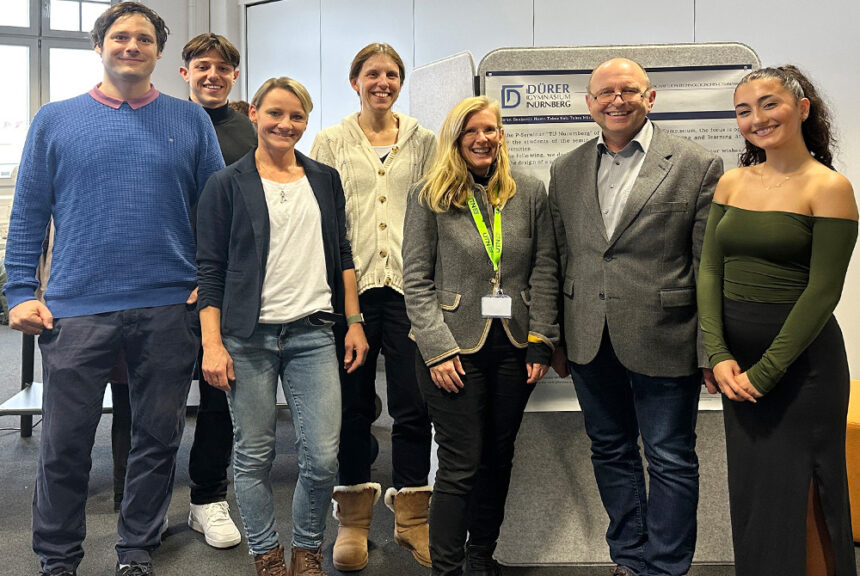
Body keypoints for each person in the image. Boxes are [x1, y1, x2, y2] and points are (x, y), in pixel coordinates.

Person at [1, 3, 225, 576]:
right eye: (120, 36)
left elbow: (215, 216)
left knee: (156, 440)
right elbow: (28, 214)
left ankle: (135, 551)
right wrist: (20, 289)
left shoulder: (192, 120)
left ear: (158, 51)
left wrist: (209, 283)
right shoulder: (55, 119)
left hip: (169, 305)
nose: (131, 45)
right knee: (64, 445)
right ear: (99, 47)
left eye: (144, 38)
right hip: (76, 308)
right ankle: (57, 557)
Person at [548, 58, 722, 576]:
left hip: (666, 335)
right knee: (609, 450)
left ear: (651, 98)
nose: (615, 100)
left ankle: (666, 566)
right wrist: (553, 337)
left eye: (628, 90)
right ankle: (628, 557)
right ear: (589, 103)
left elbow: (706, 265)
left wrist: (710, 350)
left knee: (670, 457)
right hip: (586, 338)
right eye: (604, 93)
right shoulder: (567, 168)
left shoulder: (697, 163)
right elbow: (559, 258)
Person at [196, 76, 369, 576]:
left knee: (321, 457)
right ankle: (267, 554)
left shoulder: (323, 178)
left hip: (313, 333)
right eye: (275, 113)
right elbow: (209, 271)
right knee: (254, 455)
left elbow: (342, 255)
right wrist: (212, 344)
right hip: (247, 337)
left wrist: (353, 321)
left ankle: (308, 549)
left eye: (296, 116)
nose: (285, 124)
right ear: (253, 114)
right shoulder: (226, 184)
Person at [697, 66, 858, 576]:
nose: (756, 118)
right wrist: (719, 354)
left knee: (804, 495)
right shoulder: (731, 181)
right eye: (744, 110)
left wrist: (764, 373)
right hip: (737, 370)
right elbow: (709, 271)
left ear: (803, 107)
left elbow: (822, 293)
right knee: (755, 498)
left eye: (769, 104)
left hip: (802, 372)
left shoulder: (829, 187)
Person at [403, 95, 559, 576]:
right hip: (452, 349)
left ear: (501, 136)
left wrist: (542, 340)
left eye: (490, 129)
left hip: (513, 347)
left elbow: (545, 270)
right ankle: (446, 568)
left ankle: (480, 558)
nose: (482, 138)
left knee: (497, 458)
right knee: (460, 463)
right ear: (455, 138)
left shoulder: (529, 192)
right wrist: (436, 348)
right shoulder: (429, 194)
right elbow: (416, 280)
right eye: (471, 130)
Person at [310, 42, 436, 571]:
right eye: (371, 74)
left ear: (400, 83)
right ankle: (354, 521)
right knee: (353, 406)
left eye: (391, 74)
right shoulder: (331, 140)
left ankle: (412, 519)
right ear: (354, 81)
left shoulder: (424, 140)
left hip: (410, 291)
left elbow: (435, 209)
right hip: (350, 293)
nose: (381, 82)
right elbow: (317, 218)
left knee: (414, 405)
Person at [178, 31, 257, 549]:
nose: (212, 75)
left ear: (234, 75)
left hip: (227, 287)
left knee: (217, 396)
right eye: (202, 66)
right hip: (168, 284)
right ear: (184, 72)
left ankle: (207, 498)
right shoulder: (163, 122)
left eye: (222, 68)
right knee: (154, 402)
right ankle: (138, 499)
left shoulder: (252, 132)